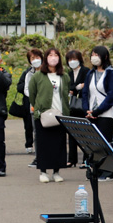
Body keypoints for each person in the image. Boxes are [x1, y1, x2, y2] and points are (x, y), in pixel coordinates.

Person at [29, 48, 69, 183]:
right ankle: (43, 171)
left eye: (56, 55)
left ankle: (56, 171)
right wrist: (38, 108)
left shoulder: (64, 76)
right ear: (45, 58)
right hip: (44, 115)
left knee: (59, 144)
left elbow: (66, 94)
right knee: (43, 144)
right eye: (50, 55)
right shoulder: (38, 76)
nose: (53, 57)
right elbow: (32, 94)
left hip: (60, 114)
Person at [84, 45, 113, 181]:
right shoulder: (90, 73)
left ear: (104, 57)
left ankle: (109, 171)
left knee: (105, 142)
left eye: (97, 54)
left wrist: (97, 111)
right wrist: (87, 110)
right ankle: (97, 170)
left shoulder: (111, 73)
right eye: (92, 54)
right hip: (91, 113)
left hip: (106, 114)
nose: (94, 57)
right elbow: (85, 93)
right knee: (94, 144)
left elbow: (111, 96)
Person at [16, 49, 43, 157]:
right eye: (32, 58)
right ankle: (29, 144)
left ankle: (42, 148)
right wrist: (32, 91)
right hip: (29, 103)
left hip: (45, 104)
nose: (35, 60)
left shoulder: (48, 71)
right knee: (29, 125)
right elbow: (20, 87)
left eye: (37, 57)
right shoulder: (27, 73)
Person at [64, 49, 88, 168]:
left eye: (74, 59)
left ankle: (86, 159)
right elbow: (68, 87)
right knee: (71, 132)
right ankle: (72, 159)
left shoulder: (86, 71)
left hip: (83, 105)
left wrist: (76, 88)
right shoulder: (68, 74)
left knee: (84, 133)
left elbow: (87, 85)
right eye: (70, 59)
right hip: (72, 106)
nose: (72, 62)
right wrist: (77, 87)